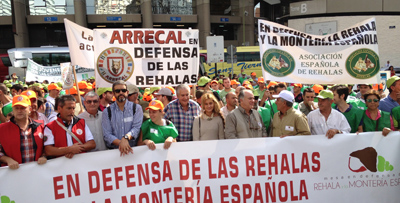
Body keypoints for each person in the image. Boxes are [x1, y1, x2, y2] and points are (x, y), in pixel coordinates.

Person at [0, 95, 47, 169]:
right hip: (12, 173)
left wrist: (44, 156)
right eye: (16, 108)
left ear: (30, 109)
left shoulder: (41, 126)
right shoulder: (2, 129)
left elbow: (47, 147)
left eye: (23, 108)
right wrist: (8, 160)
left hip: (38, 172)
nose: (19, 111)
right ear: (13, 109)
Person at [102, 80, 143, 155]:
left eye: (123, 90)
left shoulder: (136, 108)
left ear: (127, 92)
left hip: (133, 152)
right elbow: (107, 134)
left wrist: (126, 138)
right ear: (114, 94)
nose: (121, 93)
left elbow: (136, 128)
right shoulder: (107, 112)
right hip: (114, 153)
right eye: (117, 91)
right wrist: (122, 143)